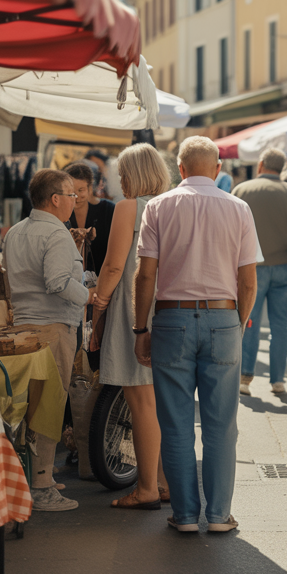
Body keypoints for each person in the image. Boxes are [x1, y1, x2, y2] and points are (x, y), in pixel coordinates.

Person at [134, 136, 258, 533]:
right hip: (223, 318)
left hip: (171, 320)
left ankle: (185, 515)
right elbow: (248, 282)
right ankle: (219, 515)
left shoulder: (158, 206)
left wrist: (141, 328)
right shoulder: (238, 208)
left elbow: (146, 275)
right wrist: (237, 325)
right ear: (217, 169)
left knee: (175, 423)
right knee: (222, 425)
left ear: (180, 169)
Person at [2, 168, 90, 511]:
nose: (75, 200)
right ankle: (40, 487)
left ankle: (36, 477)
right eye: (71, 195)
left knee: (31, 407)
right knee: (49, 407)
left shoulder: (15, 232)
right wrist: (89, 295)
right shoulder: (56, 235)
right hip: (52, 329)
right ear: (55, 199)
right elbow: (57, 282)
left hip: (22, 328)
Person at [92, 144, 172, 509]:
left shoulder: (131, 207)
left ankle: (146, 490)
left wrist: (98, 306)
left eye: (123, 174)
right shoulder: (175, 204)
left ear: (134, 175)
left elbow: (113, 267)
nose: (119, 181)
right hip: (169, 309)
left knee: (140, 401)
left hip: (134, 308)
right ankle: (163, 481)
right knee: (160, 403)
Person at [232, 148, 287, 397]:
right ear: (282, 167)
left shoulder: (242, 190)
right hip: (286, 266)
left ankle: (245, 378)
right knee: (281, 324)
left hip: (252, 266)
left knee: (249, 321)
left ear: (261, 164)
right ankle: (277, 380)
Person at [63, 161, 116, 275]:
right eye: (71, 191)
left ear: (90, 188)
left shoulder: (108, 210)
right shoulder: (60, 213)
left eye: (81, 190)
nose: (76, 196)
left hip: (102, 279)